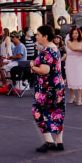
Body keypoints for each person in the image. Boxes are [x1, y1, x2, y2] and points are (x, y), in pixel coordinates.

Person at [30, 25, 66, 153]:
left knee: (37, 111)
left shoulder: (46, 52)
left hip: (47, 88)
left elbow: (44, 70)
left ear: (45, 37)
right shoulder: (54, 48)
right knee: (57, 112)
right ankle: (59, 141)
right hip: (57, 87)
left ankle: (49, 140)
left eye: (38, 35)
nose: (36, 37)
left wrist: (33, 66)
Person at [65, 27, 82, 106]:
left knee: (78, 79)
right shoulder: (68, 41)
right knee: (70, 79)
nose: (74, 34)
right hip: (69, 62)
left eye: (76, 33)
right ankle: (72, 97)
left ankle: (79, 98)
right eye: (73, 33)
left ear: (79, 34)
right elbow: (73, 48)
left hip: (78, 62)